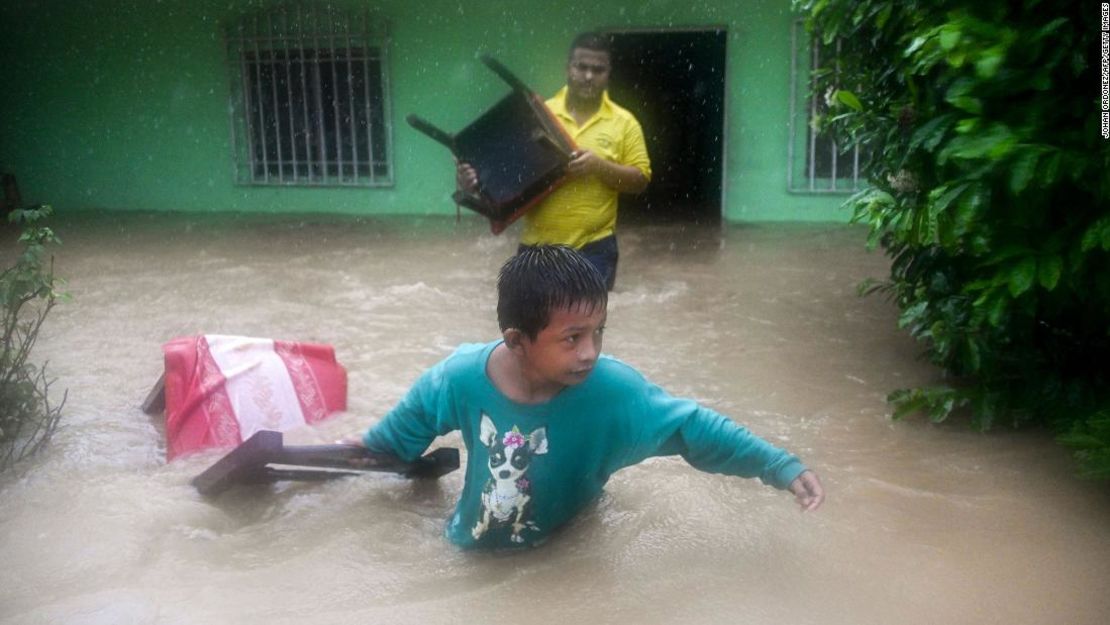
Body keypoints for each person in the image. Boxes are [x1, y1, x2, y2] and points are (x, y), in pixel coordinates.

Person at [347, 245, 825, 550]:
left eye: (598, 332)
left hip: (565, 543)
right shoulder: (460, 377)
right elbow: (401, 433)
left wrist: (780, 467)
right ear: (517, 341)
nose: (591, 352)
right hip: (466, 545)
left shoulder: (613, 393)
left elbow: (692, 429)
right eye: (572, 338)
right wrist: (369, 456)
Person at [457, 32, 652, 290]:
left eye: (598, 69)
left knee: (585, 328)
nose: (589, 76)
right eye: (581, 67)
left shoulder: (625, 123)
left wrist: (598, 166)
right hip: (536, 249)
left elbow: (640, 181)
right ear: (568, 68)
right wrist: (473, 183)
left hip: (594, 250)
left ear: (608, 73)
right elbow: (508, 176)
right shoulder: (537, 114)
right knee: (532, 327)